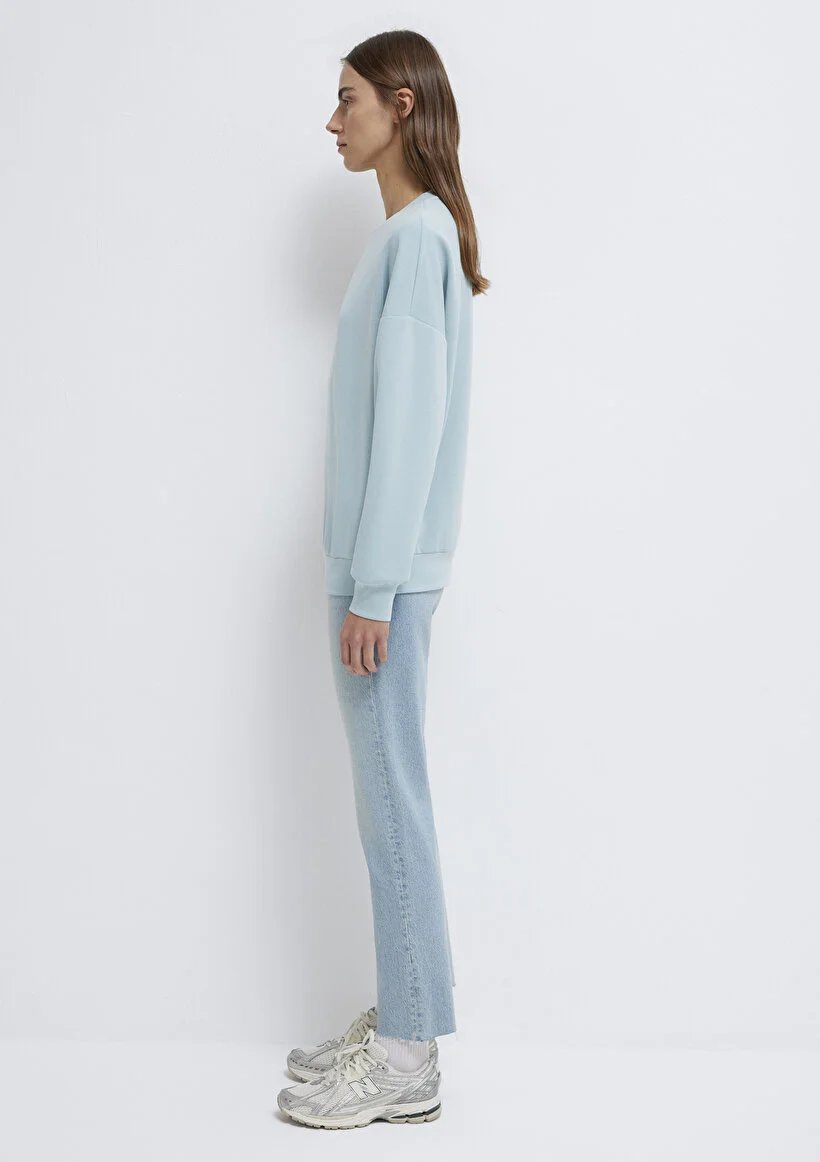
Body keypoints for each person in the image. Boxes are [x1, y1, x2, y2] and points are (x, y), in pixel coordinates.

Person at [277, 28, 489, 1131]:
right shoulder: (416, 235)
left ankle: (408, 1056)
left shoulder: (415, 239)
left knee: (392, 801)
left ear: (402, 105)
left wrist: (371, 589)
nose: (334, 119)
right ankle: (405, 1018)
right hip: (382, 571)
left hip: (384, 580)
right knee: (386, 800)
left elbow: (409, 427)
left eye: (348, 97)